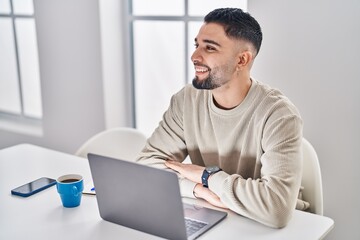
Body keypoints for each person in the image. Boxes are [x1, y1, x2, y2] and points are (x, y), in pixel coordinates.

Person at [136, 8, 306, 228]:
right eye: (196, 45)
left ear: (242, 60)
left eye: (209, 48)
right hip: (216, 216)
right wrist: (197, 189)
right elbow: (146, 166)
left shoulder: (279, 115)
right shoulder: (186, 100)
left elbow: (276, 209)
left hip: (276, 228)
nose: (195, 56)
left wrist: (208, 177)